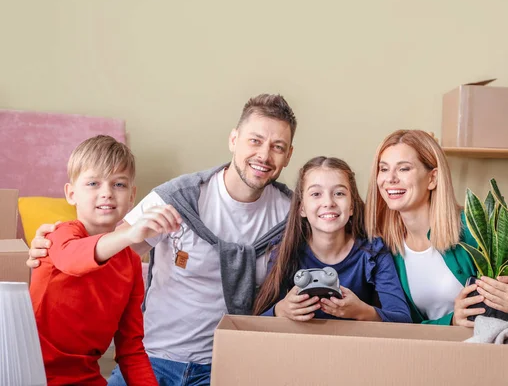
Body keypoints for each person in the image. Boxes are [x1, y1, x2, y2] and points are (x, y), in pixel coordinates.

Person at [26, 94, 297, 386]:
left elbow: (129, 343)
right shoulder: (179, 198)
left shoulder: (292, 215)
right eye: (255, 141)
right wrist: (52, 248)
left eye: (277, 147)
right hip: (154, 356)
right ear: (234, 140)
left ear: (289, 155)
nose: (265, 155)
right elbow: (95, 249)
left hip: (221, 363)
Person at [364, 129, 508, 385]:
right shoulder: (385, 248)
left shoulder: (472, 227)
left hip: (502, 356)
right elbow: (405, 324)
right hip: (442, 359)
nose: (390, 179)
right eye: (384, 169)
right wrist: (451, 320)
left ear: (432, 178)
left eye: (404, 169)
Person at [30, 135, 182, 385]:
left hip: (86, 378)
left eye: (119, 185)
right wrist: (128, 234)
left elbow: (131, 348)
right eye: (93, 183)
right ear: (71, 194)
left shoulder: (130, 264)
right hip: (32, 373)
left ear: (133, 196)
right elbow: (73, 259)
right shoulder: (60, 235)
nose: (107, 193)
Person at [254, 156, 411, 324]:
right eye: (316, 194)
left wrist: (361, 311)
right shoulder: (284, 250)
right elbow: (256, 326)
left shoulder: (374, 252)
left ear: (351, 206)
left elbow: (403, 320)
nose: (328, 202)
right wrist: (280, 310)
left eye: (339, 193)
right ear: (302, 208)